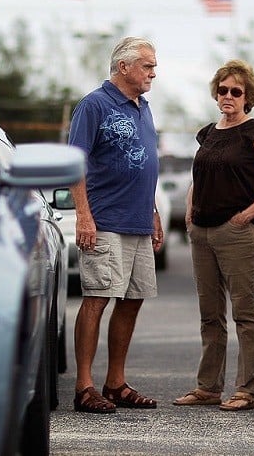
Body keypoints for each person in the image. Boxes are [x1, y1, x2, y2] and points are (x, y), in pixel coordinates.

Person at [173, 59, 254, 412]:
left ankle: (246, 391)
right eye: (223, 90)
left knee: (246, 315)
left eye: (236, 92)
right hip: (202, 232)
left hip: (238, 234)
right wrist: (190, 211)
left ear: (247, 97)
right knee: (210, 314)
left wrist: (246, 216)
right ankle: (208, 387)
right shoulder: (208, 133)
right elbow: (200, 176)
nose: (228, 96)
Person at [68, 37, 164, 414]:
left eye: (153, 66)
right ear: (123, 67)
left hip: (138, 221)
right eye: (147, 66)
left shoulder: (144, 107)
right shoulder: (94, 105)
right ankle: (84, 386)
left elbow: (145, 164)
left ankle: (115, 383)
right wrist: (83, 215)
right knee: (97, 297)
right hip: (105, 220)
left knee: (133, 299)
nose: (153, 73)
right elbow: (75, 162)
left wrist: (153, 211)